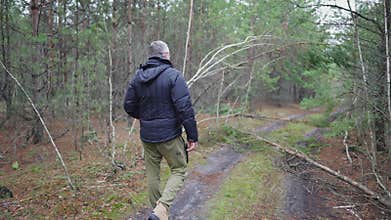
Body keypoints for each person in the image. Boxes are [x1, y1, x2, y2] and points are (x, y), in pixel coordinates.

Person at [124, 40, 198, 220]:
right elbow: (184, 108)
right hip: (169, 136)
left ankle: (157, 214)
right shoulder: (174, 76)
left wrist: (144, 118)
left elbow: (128, 105)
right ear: (165, 55)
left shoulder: (137, 78)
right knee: (179, 169)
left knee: (152, 174)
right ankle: (161, 209)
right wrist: (192, 136)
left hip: (148, 136)